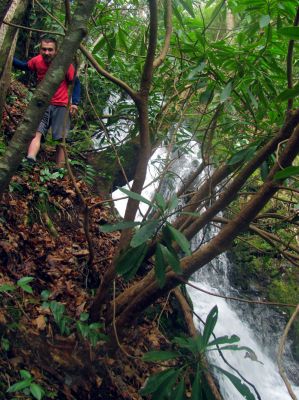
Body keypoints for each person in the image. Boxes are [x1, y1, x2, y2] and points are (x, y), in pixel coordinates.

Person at [13, 36, 81, 167]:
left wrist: (75, 103)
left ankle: (60, 170)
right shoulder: (37, 61)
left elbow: (76, 83)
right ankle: (30, 158)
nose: (47, 53)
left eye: (50, 50)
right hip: (42, 103)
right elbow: (23, 66)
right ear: (40, 49)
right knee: (37, 132)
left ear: (56, 51)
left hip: (61, 105)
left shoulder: (64, 64)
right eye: (44, 49)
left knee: (62, 139)